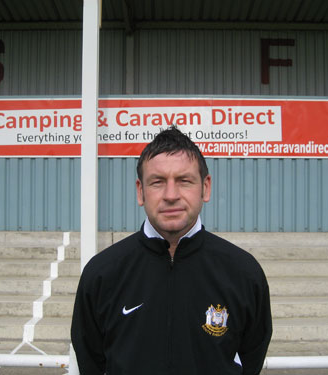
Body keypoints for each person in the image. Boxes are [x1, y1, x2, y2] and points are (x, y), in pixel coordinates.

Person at [71, 126, 272, 374]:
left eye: (184, 181)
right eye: (157, 182)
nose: (171, 195)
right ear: (140, 191)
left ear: (205, 188)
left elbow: (251, 358)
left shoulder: (243, 272)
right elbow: (92, 361)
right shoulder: (102, 273)